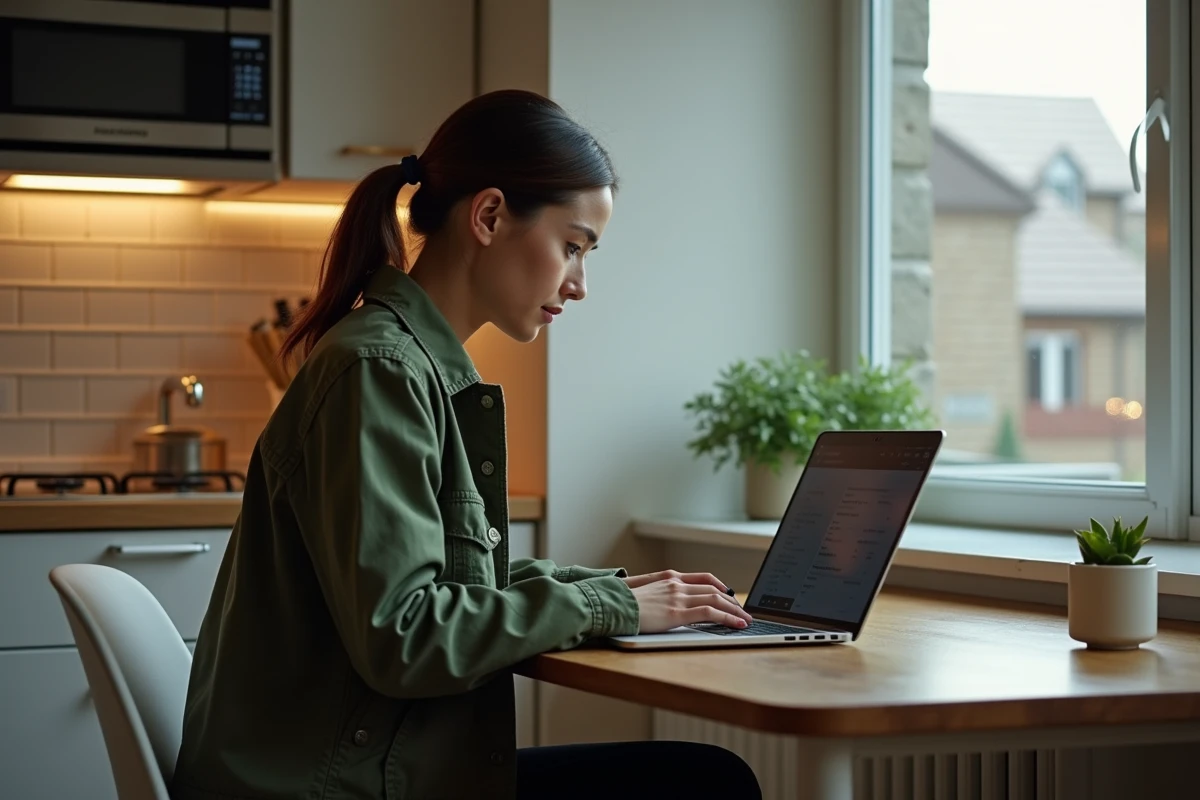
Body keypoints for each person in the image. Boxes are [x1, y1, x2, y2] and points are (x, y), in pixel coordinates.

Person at [170, 89, 762, 800]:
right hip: (329, 784)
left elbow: (447, 581)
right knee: (704, 784)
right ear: (488, 216)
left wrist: (605, 590)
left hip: (355, 769)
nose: (579, 285)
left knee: (699, 777)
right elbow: (407, 635)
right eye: (571, 246)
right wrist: (611, 610)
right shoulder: (380, 370)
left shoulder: (405, 363)